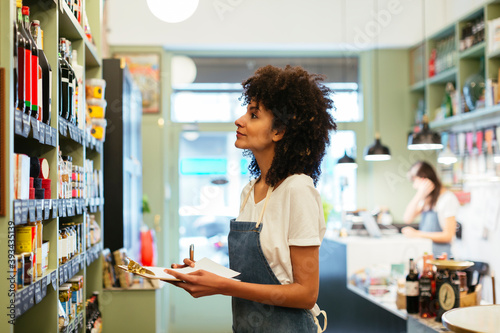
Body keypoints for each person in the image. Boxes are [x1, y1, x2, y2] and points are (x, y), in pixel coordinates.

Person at [165, 65, 336, 332]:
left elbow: (306, 294)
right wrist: (206, 274)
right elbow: (256, 277)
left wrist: (222, 286)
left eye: (253, 115)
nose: (240, 120)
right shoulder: (250, 191)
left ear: (278, 131)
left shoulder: (297, 190)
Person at [402, 161, 460, 257]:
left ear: (424, 179)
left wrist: (417, 234)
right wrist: (419, 195)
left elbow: (448, 235)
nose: (414, 186)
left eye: (415, 181)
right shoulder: (427, 200)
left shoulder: (447, 199)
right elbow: (407, 218)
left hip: (442, 259)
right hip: (427, 256)